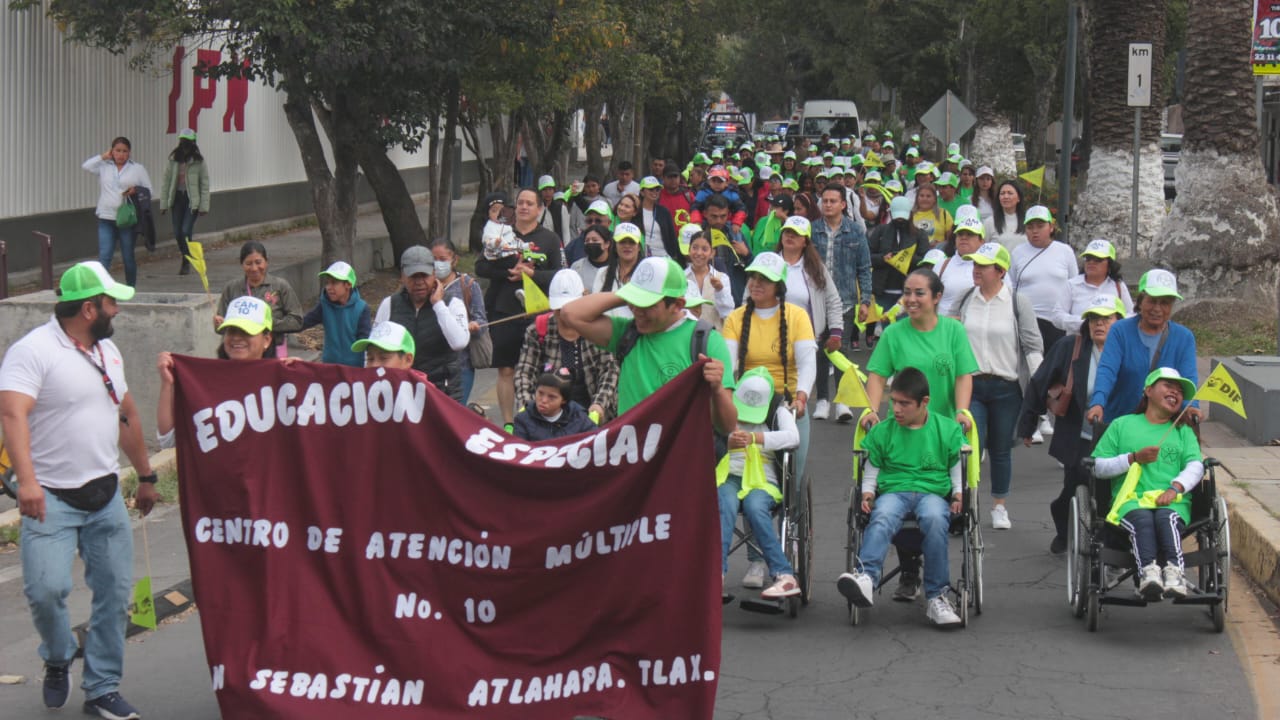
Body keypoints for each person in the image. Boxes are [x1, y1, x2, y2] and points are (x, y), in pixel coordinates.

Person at [0, 261, 158, 719]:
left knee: (113, 593)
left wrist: (146, 476)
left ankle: (102, 688)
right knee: (46, 591)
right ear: (89, 309)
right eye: (112, 303)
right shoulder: (33, 352)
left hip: (105, 496)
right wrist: (26, 482)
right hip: (50, 497)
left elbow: (125, 413)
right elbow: (12, 415)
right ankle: (57, 654)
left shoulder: (108, 352)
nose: (118, 311)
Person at [836, 366, 965, 627]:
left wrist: (959, 492)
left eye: (904, 404)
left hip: (932, 492)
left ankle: (937, 597)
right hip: (894, 490)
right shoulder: (883, 431)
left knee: (935, 519)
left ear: (924, 402)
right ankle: (866, 579)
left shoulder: (946, 429)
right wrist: (868, 493)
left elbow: (955, 464)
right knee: (882, 515)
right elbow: (872, 466)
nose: (896, 409)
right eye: (893, 402)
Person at [558, 256, 737, 431]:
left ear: (677, 304)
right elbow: (570, 313)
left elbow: (727, 426)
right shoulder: (627, 333)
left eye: (647, 304)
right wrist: (626, 295)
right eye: (634, 302)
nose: (637, 310)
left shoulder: (706, 341)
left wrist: (717, 389)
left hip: (678, 456)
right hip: (632, 456)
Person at [1019, 296, 1126, 554]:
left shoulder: (1129, 350)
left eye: (1106, 319)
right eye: (1093, 319)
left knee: (1110, 491)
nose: (1098, 324)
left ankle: (1109, 542)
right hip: (1079, 434)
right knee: (1075, 485)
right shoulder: (1070, 347)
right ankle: (1064, 525)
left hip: (1119, 435)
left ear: (1120, 322)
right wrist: (1028, 424)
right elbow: (1040, 382)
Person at [949, 243, 1044, 529]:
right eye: (974, 264)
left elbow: (1032, 345)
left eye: (983, 265)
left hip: (1006, 387)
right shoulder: (966, 298)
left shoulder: (1017, 302)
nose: (976, 270)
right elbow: (950, 335)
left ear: (1001, 271)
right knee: (969, 448)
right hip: (971, 385)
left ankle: (999, 505)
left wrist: (1039, 391)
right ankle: (967, 502)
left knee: (1001, 449)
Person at [1092, 367, 1204, 600]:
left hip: (1172, 500)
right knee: (1142, 520)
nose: (1176, 392)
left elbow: (1196, 466)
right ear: (1148, 390)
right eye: (1168, 386)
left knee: (1166, 518)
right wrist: (1133, 458)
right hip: (1132, 501)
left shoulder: (1183, 430)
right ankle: (1148, 573)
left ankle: (1174, 572)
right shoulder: (1122, 425)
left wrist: (1175, 488)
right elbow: (1098, 467)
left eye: (1180, 391)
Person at [722, 251, 817, 486]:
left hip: (785, 405)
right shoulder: (735, 318)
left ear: (779, 286)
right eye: (753, 277)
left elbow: (807, 363)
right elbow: (727, 364)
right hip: (746, 406)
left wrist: (802, 398)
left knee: (791, 480)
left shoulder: (797, 317)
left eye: (763, 279)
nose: (755, 283)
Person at [474, 189, 563, 430]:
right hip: (503, 310)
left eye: (529, 203)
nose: (523, 207)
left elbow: (561, 274)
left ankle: (536, 419)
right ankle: (509, 423)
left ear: (538, 209)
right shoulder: (500, 233)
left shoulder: (550, 239)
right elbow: (480, 267)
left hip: (538, 313)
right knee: (506, 368)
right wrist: (507, 273)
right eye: (520, 203)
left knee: (540, 370)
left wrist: (533, 274)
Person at [718, 367, 803, 600]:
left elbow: (793, 437)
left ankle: (784, 575)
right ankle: (716, 574)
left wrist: (757, 438)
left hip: (763, 479)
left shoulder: (777, 410)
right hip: (729, 475)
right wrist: (727, 442)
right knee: (724, 504)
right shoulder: (725, 405)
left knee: (756, 508)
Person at [157, 295, 281, 447]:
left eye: (246, 332)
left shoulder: (283, 384)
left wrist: (299, 377)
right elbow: (168, 440)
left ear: (267, 340)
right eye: (231, 331)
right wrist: (167, 384)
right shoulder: (203, 384)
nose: (236, 338)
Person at [1087, 269, 1200, 427]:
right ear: (1140, 302)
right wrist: (1098, 402)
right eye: (1152, 301)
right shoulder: (1120, 331)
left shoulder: (1184, 337)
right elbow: (1107, 370)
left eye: (1165, 303)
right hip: (1120, 421)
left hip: (1165, 425)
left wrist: (1192, 406)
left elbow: (1189, 377)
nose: (1157, 309)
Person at [515, 270, 618, 423]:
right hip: (550, 417)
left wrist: (599, 405)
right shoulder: (537, 331)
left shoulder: (597, 328)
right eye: (558, 310)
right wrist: (526, 404)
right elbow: (524, 372)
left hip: (592, 414)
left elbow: (610, 370)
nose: (563, 314)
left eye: (568, 308)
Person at [374, 245, 470, 401]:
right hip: (400, 393)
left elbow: (459, 342)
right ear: (402, 277)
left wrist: (438, 305)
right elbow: (373, 349)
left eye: (424, 276)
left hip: (443, 394)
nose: (419, 282)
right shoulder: (389, 304)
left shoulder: (453, 304)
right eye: (413, 277)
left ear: (434, 274)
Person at [812, 183, 872, 417]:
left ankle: (842, 401)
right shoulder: (812, 229)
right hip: (816, 300)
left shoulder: (855, 231)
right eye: (824, 201)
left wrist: (865, 300)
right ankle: (822, 400)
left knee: (841, 350)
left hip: (845, 299)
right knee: (818, 350)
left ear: (843, 204)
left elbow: (864, 268)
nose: (828, 205)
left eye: (832, 201)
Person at [1009, 205, 1078, 359]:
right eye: (1030, 227)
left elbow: (1074, 285)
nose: (1035, 231)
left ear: (1051, 227)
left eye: (1040, 226)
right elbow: (1011, 286)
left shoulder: (1065, 251)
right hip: (1027, 321)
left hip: (1057, 322)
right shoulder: (1017, 252)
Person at [215, 241, 304, 358]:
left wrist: (265, 323)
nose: (254, 268)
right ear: (242, 264)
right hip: (239, 352)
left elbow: (297, 321)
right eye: (248, 263)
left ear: (266, 262)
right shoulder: (232, 288)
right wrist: (219, 324)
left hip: (272, 351)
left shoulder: (280, 286)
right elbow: (222, 329)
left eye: (258, 262)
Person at [83, 137, 152, 287]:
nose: (121, 154)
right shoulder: (104, 166)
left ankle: (130, 286)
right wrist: (102, 156)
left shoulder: (137, 169)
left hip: (126, 219)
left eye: (124, 151)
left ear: (129, 153)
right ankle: (101, 289)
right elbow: (86, 166)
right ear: (112, 151)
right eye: (117, 151)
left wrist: (135, 190)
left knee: (127, 256)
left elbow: (148, 190)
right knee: (105, 255)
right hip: (106, 217)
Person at [867, 196, 930, 346]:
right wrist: (883, 258)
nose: (900, 220)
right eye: (897, 217)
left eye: (903, 217)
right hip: (883, 290)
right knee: (888, 331)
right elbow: (867, 256)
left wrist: (906, 258)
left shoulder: (920, 234)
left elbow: (925, 261)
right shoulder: (880, 231)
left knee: (907, 332)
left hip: (907, 293)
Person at [433, 240, 487, 404]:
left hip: (461, 364)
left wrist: (474, 326)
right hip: (432, 364)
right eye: (434, 259)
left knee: (456, 411)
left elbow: (481, 320)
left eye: (443, 259)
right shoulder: (426, 286)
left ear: (454, 260)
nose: (438, 264)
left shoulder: (468, 285)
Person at [299, 261, 371, 368]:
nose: (329, 287)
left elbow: (364, 340)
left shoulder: (361, 308)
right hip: (329, 367)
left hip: (354, 368)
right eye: (327, 283)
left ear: (348, 284)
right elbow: (304, 322)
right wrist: (284, 326)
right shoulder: (324, 306)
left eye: (334, 283)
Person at [158, 128, 210, 276]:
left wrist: (203, 206)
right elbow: (166, 182)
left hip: (191, 200)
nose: (184, 145)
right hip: (177, 199)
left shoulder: (199, 162)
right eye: (182, 141)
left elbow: (204, 184)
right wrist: (163, 204)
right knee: (177, 232)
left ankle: (187, 260)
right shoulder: (174, 160)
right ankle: (185, 256)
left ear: (193, 143)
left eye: (187, 142)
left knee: (185, 230)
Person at [1057, 239, 1135, 333]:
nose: (1091, 262)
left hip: (1110, 341)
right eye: (1088, 258)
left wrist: (1113, 324)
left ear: (1110, 264)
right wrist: (1086, 324)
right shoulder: (1071, 285)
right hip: (1078, 341)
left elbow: (1131, 313)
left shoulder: (1118, 286)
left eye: (1098, 259)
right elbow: (1057, 316)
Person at [512, 369, 599, 441]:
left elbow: (595, 442)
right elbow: (519, 452)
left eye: (551, 397)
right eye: (540, 393)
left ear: (564, 400)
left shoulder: (580, 419)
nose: (544, 400)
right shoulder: (523, 419)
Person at [683, 227, 735, 330]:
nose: (698, 253)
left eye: (704, 249)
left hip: (713, 335)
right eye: (695, 248)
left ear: (712, 253)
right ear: (689, 250)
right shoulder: (681, 278)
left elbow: (727, 313)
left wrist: (720, 290)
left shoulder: (721, 278)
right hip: (686, 335)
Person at [592, 222, 646, 318]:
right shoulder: (602, 273)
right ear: (615, 247)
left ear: (638, 247)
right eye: (622, 242)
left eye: (632, 242)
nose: (627, 246)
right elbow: (596, 305)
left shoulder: (646, 275)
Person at [639, 176, 681, 260]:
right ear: (642, 192)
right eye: (651, 189)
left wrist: (674, 256)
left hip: (663, 257)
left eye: (657, 189)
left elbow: (671, 236)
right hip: (642, 258)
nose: (655, 192)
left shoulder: (664, 212)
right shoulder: (636, 211)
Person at [564, 198, 613, 266]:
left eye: (598, 221)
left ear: (609, 223)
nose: (593, 224)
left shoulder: (618, 243)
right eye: (589, 221)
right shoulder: (573, 247)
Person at [570, 224, 615, 294]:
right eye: (587, 241)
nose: (590, 243)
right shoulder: (577, 267)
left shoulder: (617, 266)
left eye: (595, 240)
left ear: (606, 244)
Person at [983, 180, 1026, 251]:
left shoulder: (1027, 220)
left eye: (1010, 193)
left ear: (1019, 198)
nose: (1006, 196)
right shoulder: (989, 222)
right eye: (1002, 193)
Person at [910, 184, 953, 249]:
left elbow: (951, 240)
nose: (925, 199)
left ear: (934, 199)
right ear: (917, 198)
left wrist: (940, 244)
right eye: (921, 196)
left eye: (928, 196)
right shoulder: (910, 215)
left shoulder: (944, 214)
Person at [536, 174, 572, 251]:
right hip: (540, 245)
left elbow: (566, 232)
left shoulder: (561, 208)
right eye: (545, 190)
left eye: (550, 189)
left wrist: (566, 249)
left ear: (554, 190)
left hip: (557, 246)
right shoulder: (536, 208)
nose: (548, 192)